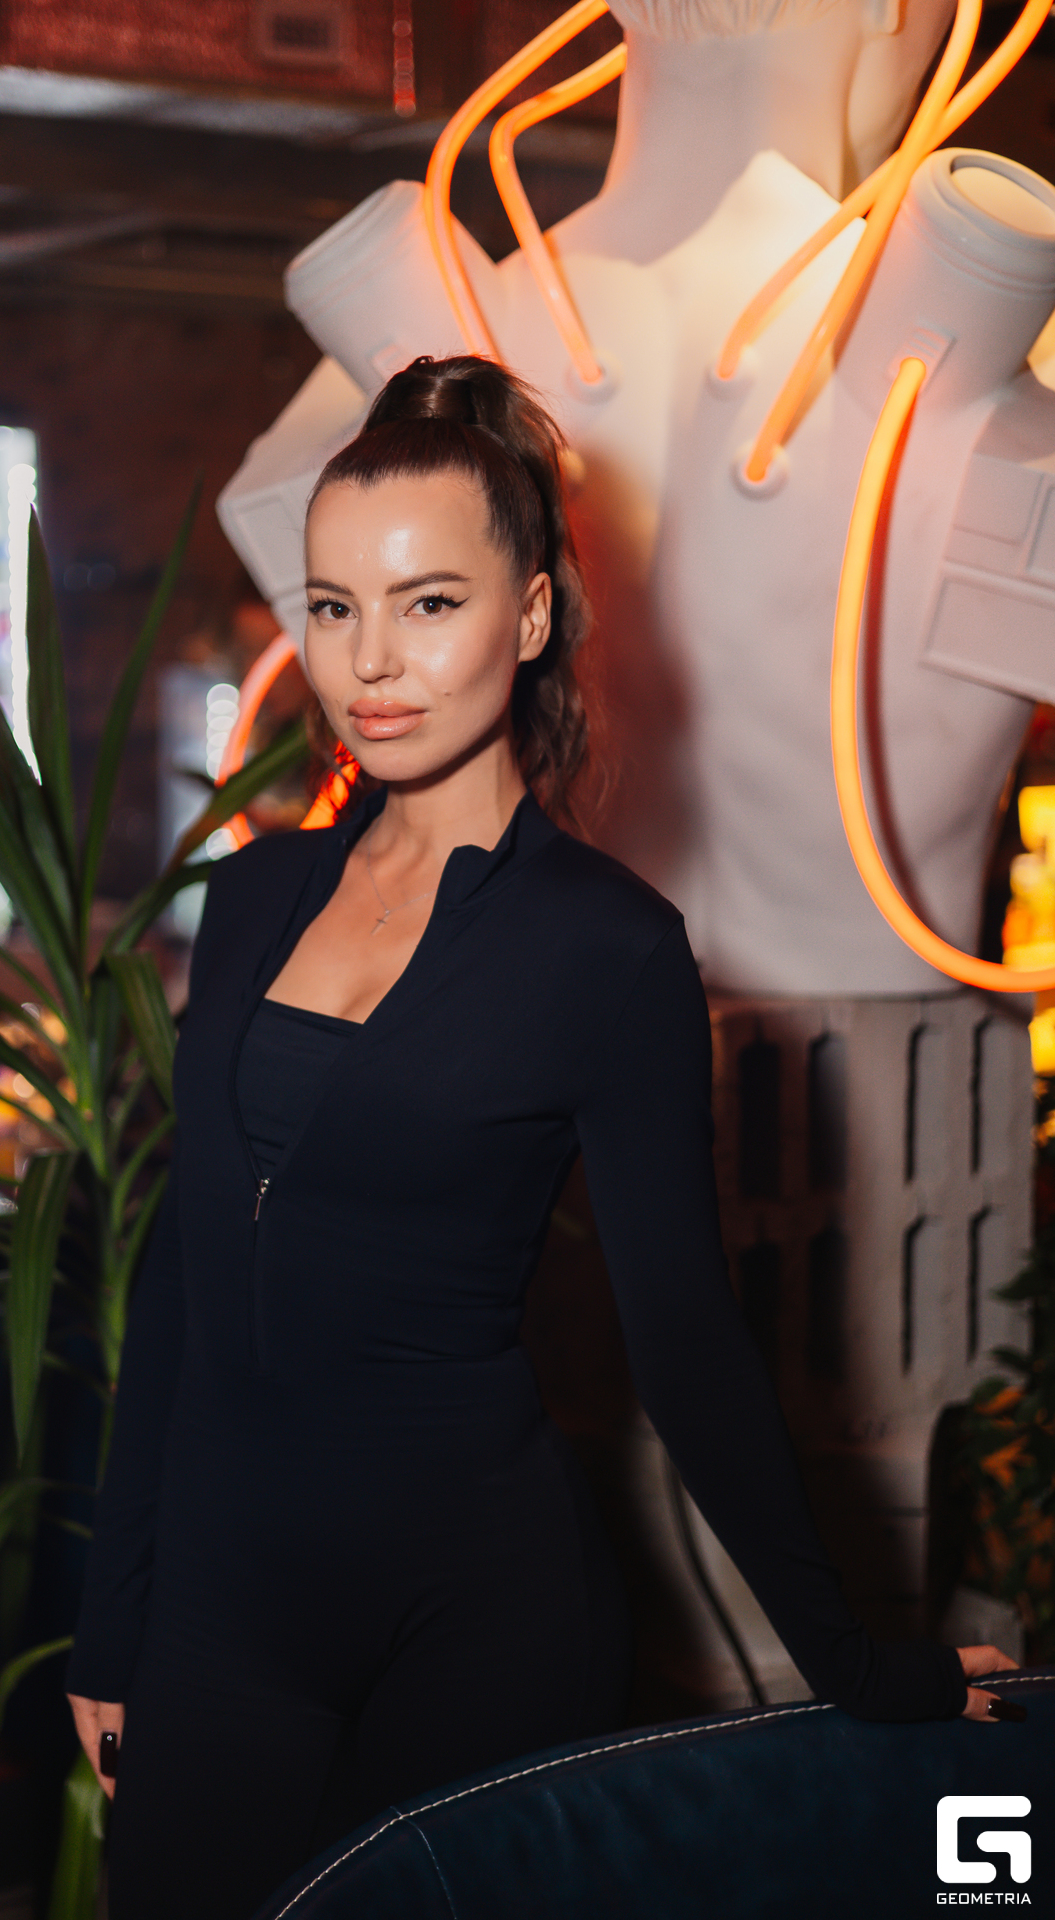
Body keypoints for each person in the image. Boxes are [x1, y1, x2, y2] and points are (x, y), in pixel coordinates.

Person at [65, 358, 1015, 1920]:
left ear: (529, 616)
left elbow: (686, 1342)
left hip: (481, 1619)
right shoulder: (252, 898)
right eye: (334, 607)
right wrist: (116, 1621)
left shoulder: (609, 950)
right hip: (225, 1614)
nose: (371, 661)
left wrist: (852, 1663)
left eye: (428, 604)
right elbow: (180, 1264)